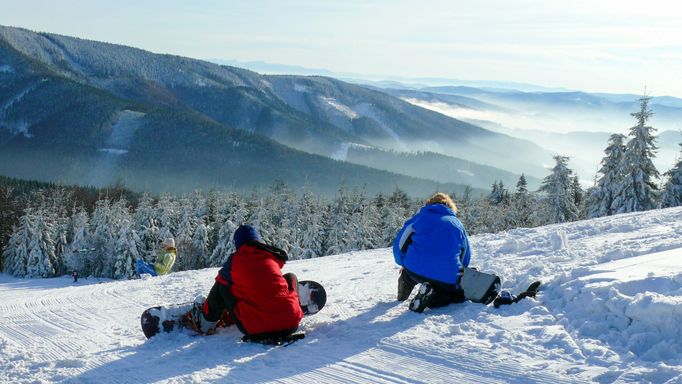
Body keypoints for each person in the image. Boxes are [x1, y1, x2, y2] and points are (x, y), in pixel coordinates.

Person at [186, 225, 303, 341]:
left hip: (256, 328)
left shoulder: (235, 261)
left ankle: (206, 321)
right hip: (291, 324)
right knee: (289, 277)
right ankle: (293, 305)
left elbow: (220, 284)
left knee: (222, 285)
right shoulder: (270, 257)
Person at [393, 192, 471, 313]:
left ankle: (405, 282)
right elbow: (465, 255)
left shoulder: (419, 218)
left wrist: (402, 262)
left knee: (409, 272)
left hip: (414, 269)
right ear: (451, 207)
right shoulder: (458, 224)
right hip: (445, 276)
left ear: (429, 203)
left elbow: (400, 244)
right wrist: (459, 272)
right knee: (459, 295)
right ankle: (432, 297)